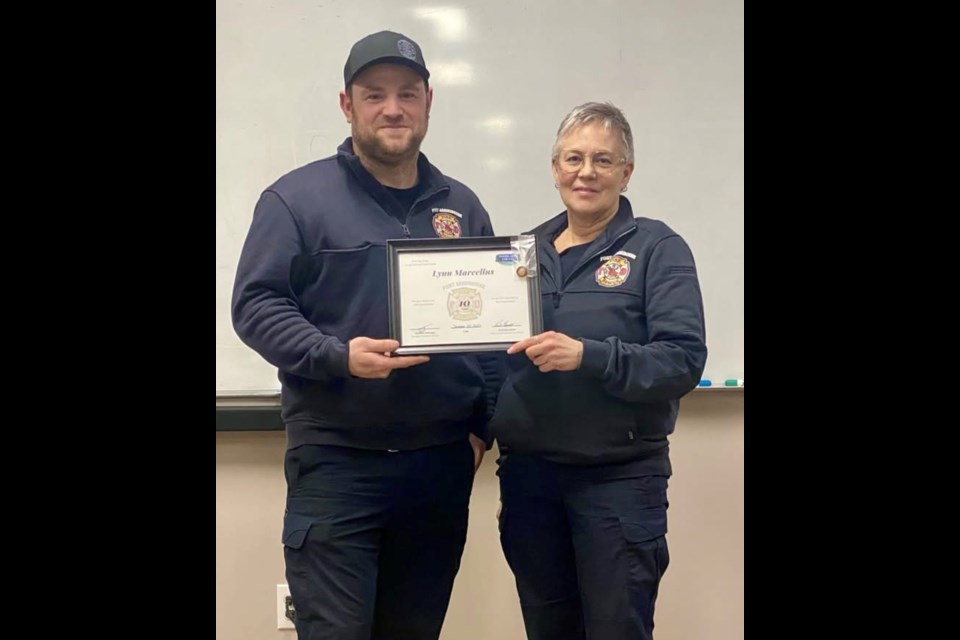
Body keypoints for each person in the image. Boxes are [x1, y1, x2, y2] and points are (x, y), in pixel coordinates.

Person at [231, 30, 502, 640]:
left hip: (437, 468)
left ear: (429, 101)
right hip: (336, 465)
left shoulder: (462, 207)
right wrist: (336, 357)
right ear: (347, 105)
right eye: (374, 95)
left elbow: (490, 334)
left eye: (407, 94)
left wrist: (480, 430)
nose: (393, 109)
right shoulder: (296, 200)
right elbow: (256, 304)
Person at [491, 102, 708, 640]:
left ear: (626, 172)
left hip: (618, 482)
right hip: (530, 482)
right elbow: (489, 358)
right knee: (547, 627)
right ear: (554, 167)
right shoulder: (519, 255)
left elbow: (682, 360)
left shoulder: (658, 248)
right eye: (573, 158)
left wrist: (589, 355)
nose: (585, 172)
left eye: (603, 160)